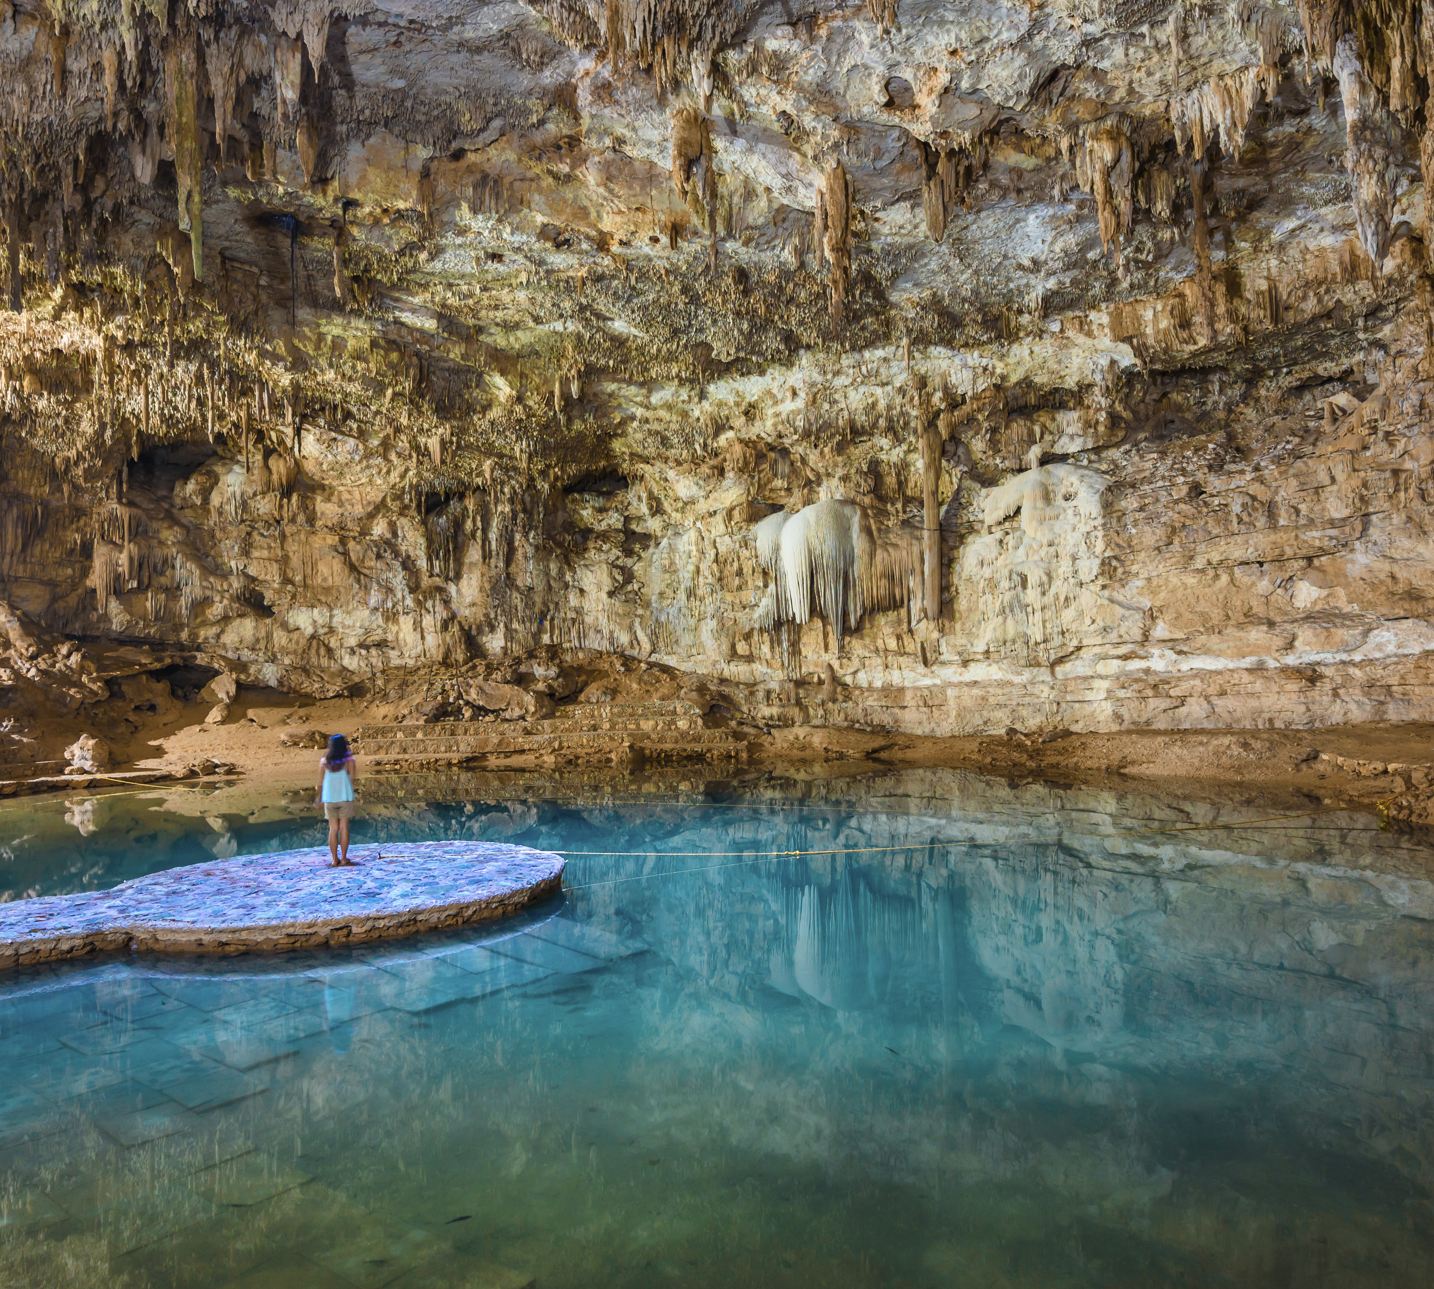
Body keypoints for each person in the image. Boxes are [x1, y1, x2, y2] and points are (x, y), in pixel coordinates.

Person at [316, 733, 357, 866]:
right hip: (345, 796)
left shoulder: (324, 761)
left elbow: (320, 782)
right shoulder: (349, 760)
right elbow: (352, 778)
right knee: (344, 827)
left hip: (329, 798)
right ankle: (344, 858)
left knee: (333, 828)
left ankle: (334, 860)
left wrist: (319, 797)